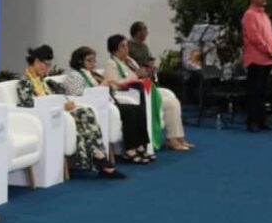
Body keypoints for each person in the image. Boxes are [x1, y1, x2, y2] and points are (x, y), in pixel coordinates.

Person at [17, 45, 124, 178]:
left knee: (86, 111)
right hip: (43, 118)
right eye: (46, 65)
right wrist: (61, 107)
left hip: (55, 113)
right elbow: (29, 105)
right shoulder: (25, 82)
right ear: (37, 61)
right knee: (82, 114)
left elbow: (51, 98)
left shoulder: (42, 80)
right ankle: (100, 160)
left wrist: (65, 104)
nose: (47, 68)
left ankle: (100, 157)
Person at [63, 46, 153, 164]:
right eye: (89, 60)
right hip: (96, 106)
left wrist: (109, 83)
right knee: (129, 111)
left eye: (93, 60)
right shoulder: (74, 76)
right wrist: (102, 86)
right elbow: (78, 96)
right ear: (80, 61)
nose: (93, 63)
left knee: (137, 109)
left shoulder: (92, 73)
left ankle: (140, 145)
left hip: (107, 102)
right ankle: (130, 149)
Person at [103, 34, 194, 151]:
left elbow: (138, 75)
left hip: (144, 92)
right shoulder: (111, 64)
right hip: (130, 96)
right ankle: (172, 140)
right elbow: (114, 84)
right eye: (123, 46)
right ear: (115, 49)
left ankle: (178, 137)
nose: (126, 48)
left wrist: (145, 73)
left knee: (173, 101)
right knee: (170, 104)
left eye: (126, 45)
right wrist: (136, 75)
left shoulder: (130, 61)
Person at [242, 0, 272, 131]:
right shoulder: (249, 15)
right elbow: (254, 37)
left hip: (267, 59)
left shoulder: (264, 15)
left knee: (263, 92)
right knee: (254, 92)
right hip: (256, 59)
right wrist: (268, 50)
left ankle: (262, 121)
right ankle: (252, 122)